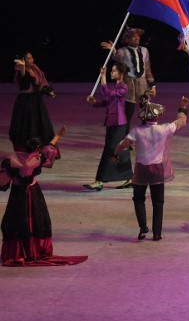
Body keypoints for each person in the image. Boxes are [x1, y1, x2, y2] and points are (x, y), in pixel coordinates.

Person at [1, 125, 87, 266]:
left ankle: (16, 252)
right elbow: (49, 149)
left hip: (17, 195)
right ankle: (35, 251)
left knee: (16, 222)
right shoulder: (37, 159)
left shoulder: (13, 159)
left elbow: (3, 179)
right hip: (33, 194)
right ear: (36, 149)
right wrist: (58, 135)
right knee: (36, 221)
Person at [114, 94, 189, 240]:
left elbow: (122, 145)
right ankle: (157, 233)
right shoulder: (164, 129)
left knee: (138, 199)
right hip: (158, 169)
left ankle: (143, 227)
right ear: (157, 117)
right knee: (158, 202)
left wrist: (115, 154)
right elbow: (181, 122)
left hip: (141, 169)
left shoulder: (137, 131)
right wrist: (183, 108)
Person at [83, 62, 133, 190]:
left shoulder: (123, 87)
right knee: (118, 150)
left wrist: (103, 76)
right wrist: (95, 102)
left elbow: (107, 94)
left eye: (114, 71)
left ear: (121, 74)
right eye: (111, 71)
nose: (112, 72)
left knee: (109, 151)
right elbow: (106, 101)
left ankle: (99, 181)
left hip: (118, 122)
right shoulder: (115, 86)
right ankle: (130, 177)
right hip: (112, 121)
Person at [100, 27, 154, 123]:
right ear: (127, 39)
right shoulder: (122, 51)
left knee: (146, 112)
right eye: (133, 37)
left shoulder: (144, 50)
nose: (137, 38)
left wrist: (152, 85)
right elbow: (118, 58)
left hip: (142, 84)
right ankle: (124, 134)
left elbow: (148, 69)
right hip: (129, 84)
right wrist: (114, 51)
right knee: (128, 112)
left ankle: (146, 133)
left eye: (138, 36)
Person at [10, 52, 56, 152]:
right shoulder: (21, 71)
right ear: (23, 60)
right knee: (27, 125)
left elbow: (42, 83)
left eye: (31, 58)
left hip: (36, 101)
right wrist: (22, 67)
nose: (31, 60)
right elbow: (24, 81)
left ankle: (38, 149)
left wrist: (49, 92)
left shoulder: (36, 69)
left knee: (39, 124)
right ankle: (26, 149)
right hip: (25, 102)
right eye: (28, 59)